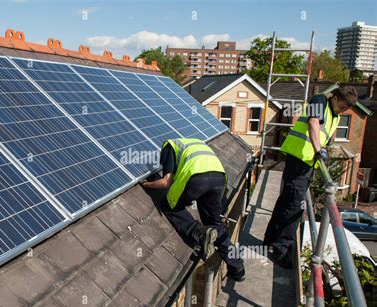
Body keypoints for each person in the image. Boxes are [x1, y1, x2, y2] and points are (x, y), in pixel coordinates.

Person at [264, 86, 358, 269]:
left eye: (347, 108)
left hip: (307, 164)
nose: (344, 110)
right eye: (343, 106)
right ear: (335, 97)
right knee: (294, 207)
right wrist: (318, 150)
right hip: (299, 160)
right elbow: (313, 122)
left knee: (287, 202)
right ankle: (281, 249)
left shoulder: (335, 116)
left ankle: (270, 241)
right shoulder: (319, 100)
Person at [141, 138, 245, 282]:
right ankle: (237, 267)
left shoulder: (168, 146)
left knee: (170, 205)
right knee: (214, 222)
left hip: (196, 177)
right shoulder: (194, 142)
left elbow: (166, 181)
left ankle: (199, 234)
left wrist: (147, 184)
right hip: (219, 178)